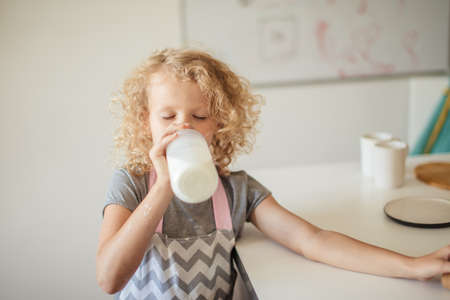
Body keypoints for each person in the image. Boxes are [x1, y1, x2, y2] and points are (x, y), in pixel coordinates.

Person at [96, 48, 450, 299]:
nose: (183, 125)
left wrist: (412, 266)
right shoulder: (132, 183)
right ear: (146, 121)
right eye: (168, 116)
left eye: (199, 116)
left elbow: (313, 240)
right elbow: (110, 279)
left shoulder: (236, 191)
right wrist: (163, 190)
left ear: (220, 123)